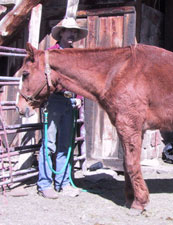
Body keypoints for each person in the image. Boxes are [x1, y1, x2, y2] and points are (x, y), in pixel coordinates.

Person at [37, 17, 88, 199]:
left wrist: (80, 97)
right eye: (69, 31)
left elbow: (79, 79)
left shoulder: (76, 56)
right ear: (61, 33)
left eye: (74, 32)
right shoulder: (49, 54)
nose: (72, 35)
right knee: (49, 144)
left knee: (65, 145)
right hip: (54, 101)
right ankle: (44, 184)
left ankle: (63, 183)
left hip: (69, 102)